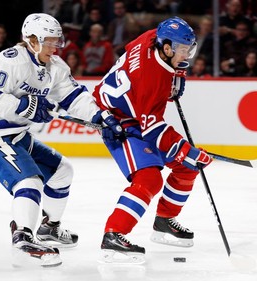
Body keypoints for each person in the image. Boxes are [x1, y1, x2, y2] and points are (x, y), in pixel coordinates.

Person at [0, 13, 122, 267]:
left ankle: (49, 227)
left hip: (18, 135)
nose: (54, 47)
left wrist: (100, 117)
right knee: (30, 181)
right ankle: (23, 238)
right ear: (31, 40)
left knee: (62, 172)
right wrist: (26, 106)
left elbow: (73, 97)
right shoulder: (8, 62)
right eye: (48, 41)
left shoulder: (55, 67)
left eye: (56, 41)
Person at [91, 17, 212, 263]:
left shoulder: (151, 37)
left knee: (188, 166)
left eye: (188, 48)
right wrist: (185, 149)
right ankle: (114, 235)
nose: (187, 53)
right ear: (166, 48)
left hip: (136, 111)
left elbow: (130, 51)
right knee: (149, 178)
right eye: (182, 50)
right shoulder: (152, 79)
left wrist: (176, 73)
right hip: (116, 120)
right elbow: (153, 129)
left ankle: (164, 222)